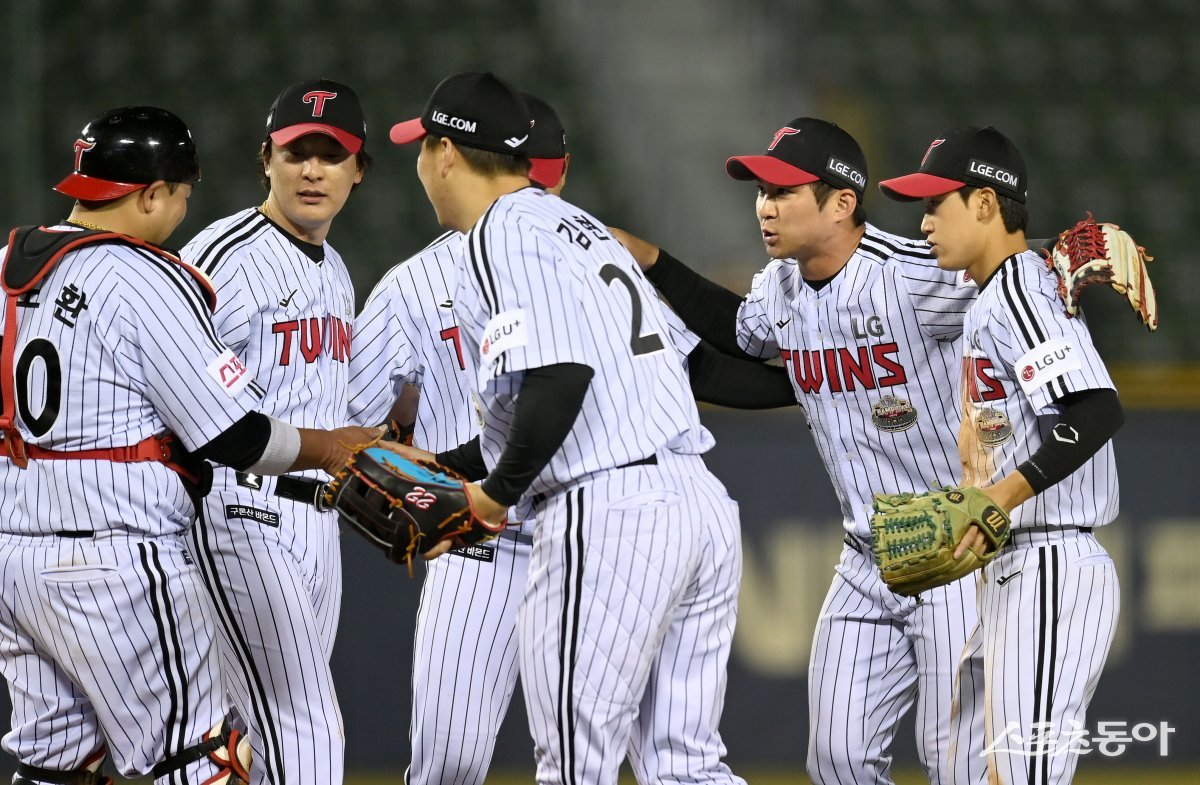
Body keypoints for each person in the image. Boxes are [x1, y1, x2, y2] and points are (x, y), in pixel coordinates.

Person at [389, 72, 750, 785]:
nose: (421, 164)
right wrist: (439, 463)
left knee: (574, 762)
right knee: (685, 765)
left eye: (422, 147)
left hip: (612, 513)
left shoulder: (501, 232)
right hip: (695, 501)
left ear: (445, 152)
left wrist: (495, 494)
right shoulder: (577, 226)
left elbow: (561, 378)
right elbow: (547, 399)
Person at [0, 106, 375, 785]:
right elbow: (237, 434)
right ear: (150, 193)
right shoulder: (146, 276)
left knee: (53, 766)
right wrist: (333, 447)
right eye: (180, 192)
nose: (182, 207)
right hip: (117, 556)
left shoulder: (5, 266)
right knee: (201, 762)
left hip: (13, 561)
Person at [610, 117, 988, 785]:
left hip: (951, 551)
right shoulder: (781, 287)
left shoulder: (911, 275)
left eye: (784, 190)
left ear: (842, 202)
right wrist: (652, 263)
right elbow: (738, 336)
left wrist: (1062, 257)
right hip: (865, 557)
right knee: (835, 762)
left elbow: (1001, 268)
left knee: (958, 762)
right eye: (761, 190)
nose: (765, 204)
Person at [878, 125, 1123, 784]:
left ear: (985, 204)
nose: (924, 221)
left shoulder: (1018, 291)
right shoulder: (995, 290)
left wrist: (997, 497)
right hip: (1010, 566)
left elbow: (1096, 409)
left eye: (937, 204)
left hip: (1049, 562)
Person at [180, 77, 370, 785]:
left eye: (330, 154)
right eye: (296, 153)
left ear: (359, 170)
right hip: (238, 504)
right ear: (266, 159)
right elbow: (173, 391)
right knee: (306, 720)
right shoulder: (220, 254)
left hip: (317, 519)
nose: (312, 170)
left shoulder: (340, 272)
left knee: (247, 735)